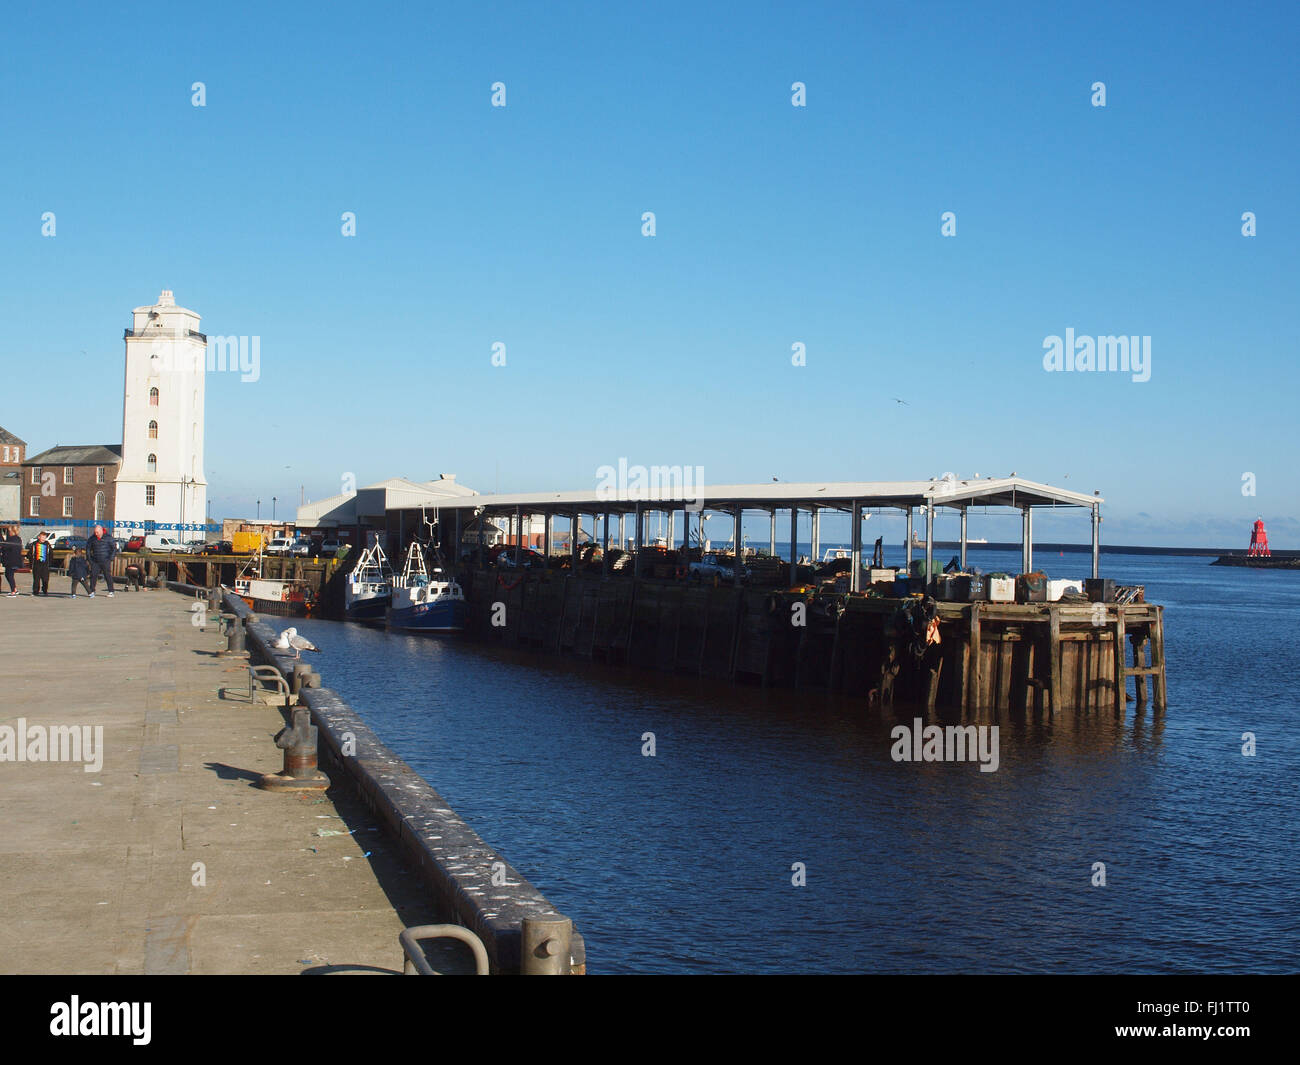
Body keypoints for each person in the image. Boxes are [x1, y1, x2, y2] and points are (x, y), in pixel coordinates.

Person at [85, 523, 117, 598]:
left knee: (107, 575)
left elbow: (114, 548)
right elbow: (88, 549)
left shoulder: (108, 538)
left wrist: (111, 558)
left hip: (105, 560)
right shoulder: (92, 539)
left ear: (101, 531)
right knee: (93, 576)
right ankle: (92, 590)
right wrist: (89, 559)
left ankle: (111, 591)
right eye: (95, 532)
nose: (96, 534)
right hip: (95, 561)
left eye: (97, 532)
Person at [27, 531, 51, 596]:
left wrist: (50, 563)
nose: (43, 539)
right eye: (42, 537)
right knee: (36, 579)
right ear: (39, 537)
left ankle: (45, 590)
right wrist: (30, 566)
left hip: (45, 565)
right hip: (36, 565)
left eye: (45, 537)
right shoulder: (34, 544)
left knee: (45, 579)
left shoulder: (47, 544)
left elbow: (51, 554)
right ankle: (35, 591)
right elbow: (30, 555)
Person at [2, 526, 22, 597]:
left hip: (11, 560)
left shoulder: (12, 539)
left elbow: (4, 546)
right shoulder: (18, 538)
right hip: (15, 560)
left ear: (12, 531)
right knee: (8, 574)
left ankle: (13, 591)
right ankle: (15, 589)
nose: (8, 533)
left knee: (9, 575)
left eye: (9, 531)